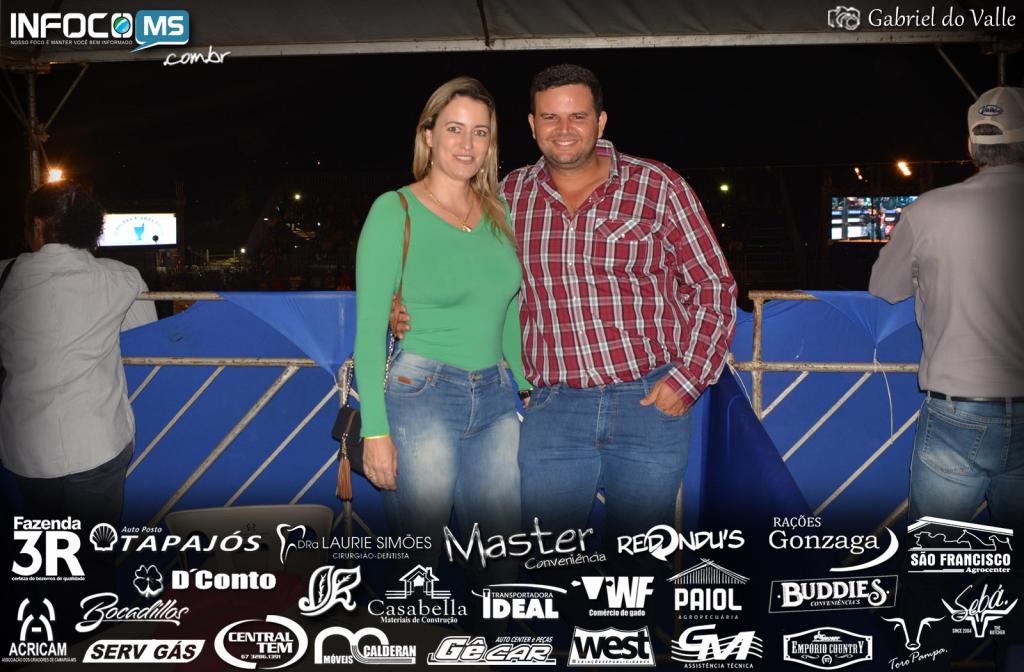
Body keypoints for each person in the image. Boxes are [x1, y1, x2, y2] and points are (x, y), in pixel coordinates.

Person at [870, 86, 1024, 670]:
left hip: (958, 408)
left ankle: (928, 656)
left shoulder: (928, 211)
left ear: (971, 145)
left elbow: (884, 288)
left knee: (936, 556)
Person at [353, 77, 528, 579]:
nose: (467, 143)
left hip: (496, 397)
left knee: (501, 558)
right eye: (454, 129)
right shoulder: (395, 210)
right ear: (428, 135)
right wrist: (375, 431)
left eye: (480, 132)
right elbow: (369, 332)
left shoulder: (500, 213)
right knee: (418, 562)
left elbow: (508, 311)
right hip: (422, 394)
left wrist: (525, 386)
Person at [0, 181, 155, 526]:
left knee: (51, 545)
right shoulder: (122, 278)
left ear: (37, 225)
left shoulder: (5, 276)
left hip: (27, 450)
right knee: (96, 548)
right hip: (97, 442)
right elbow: (143, 339)